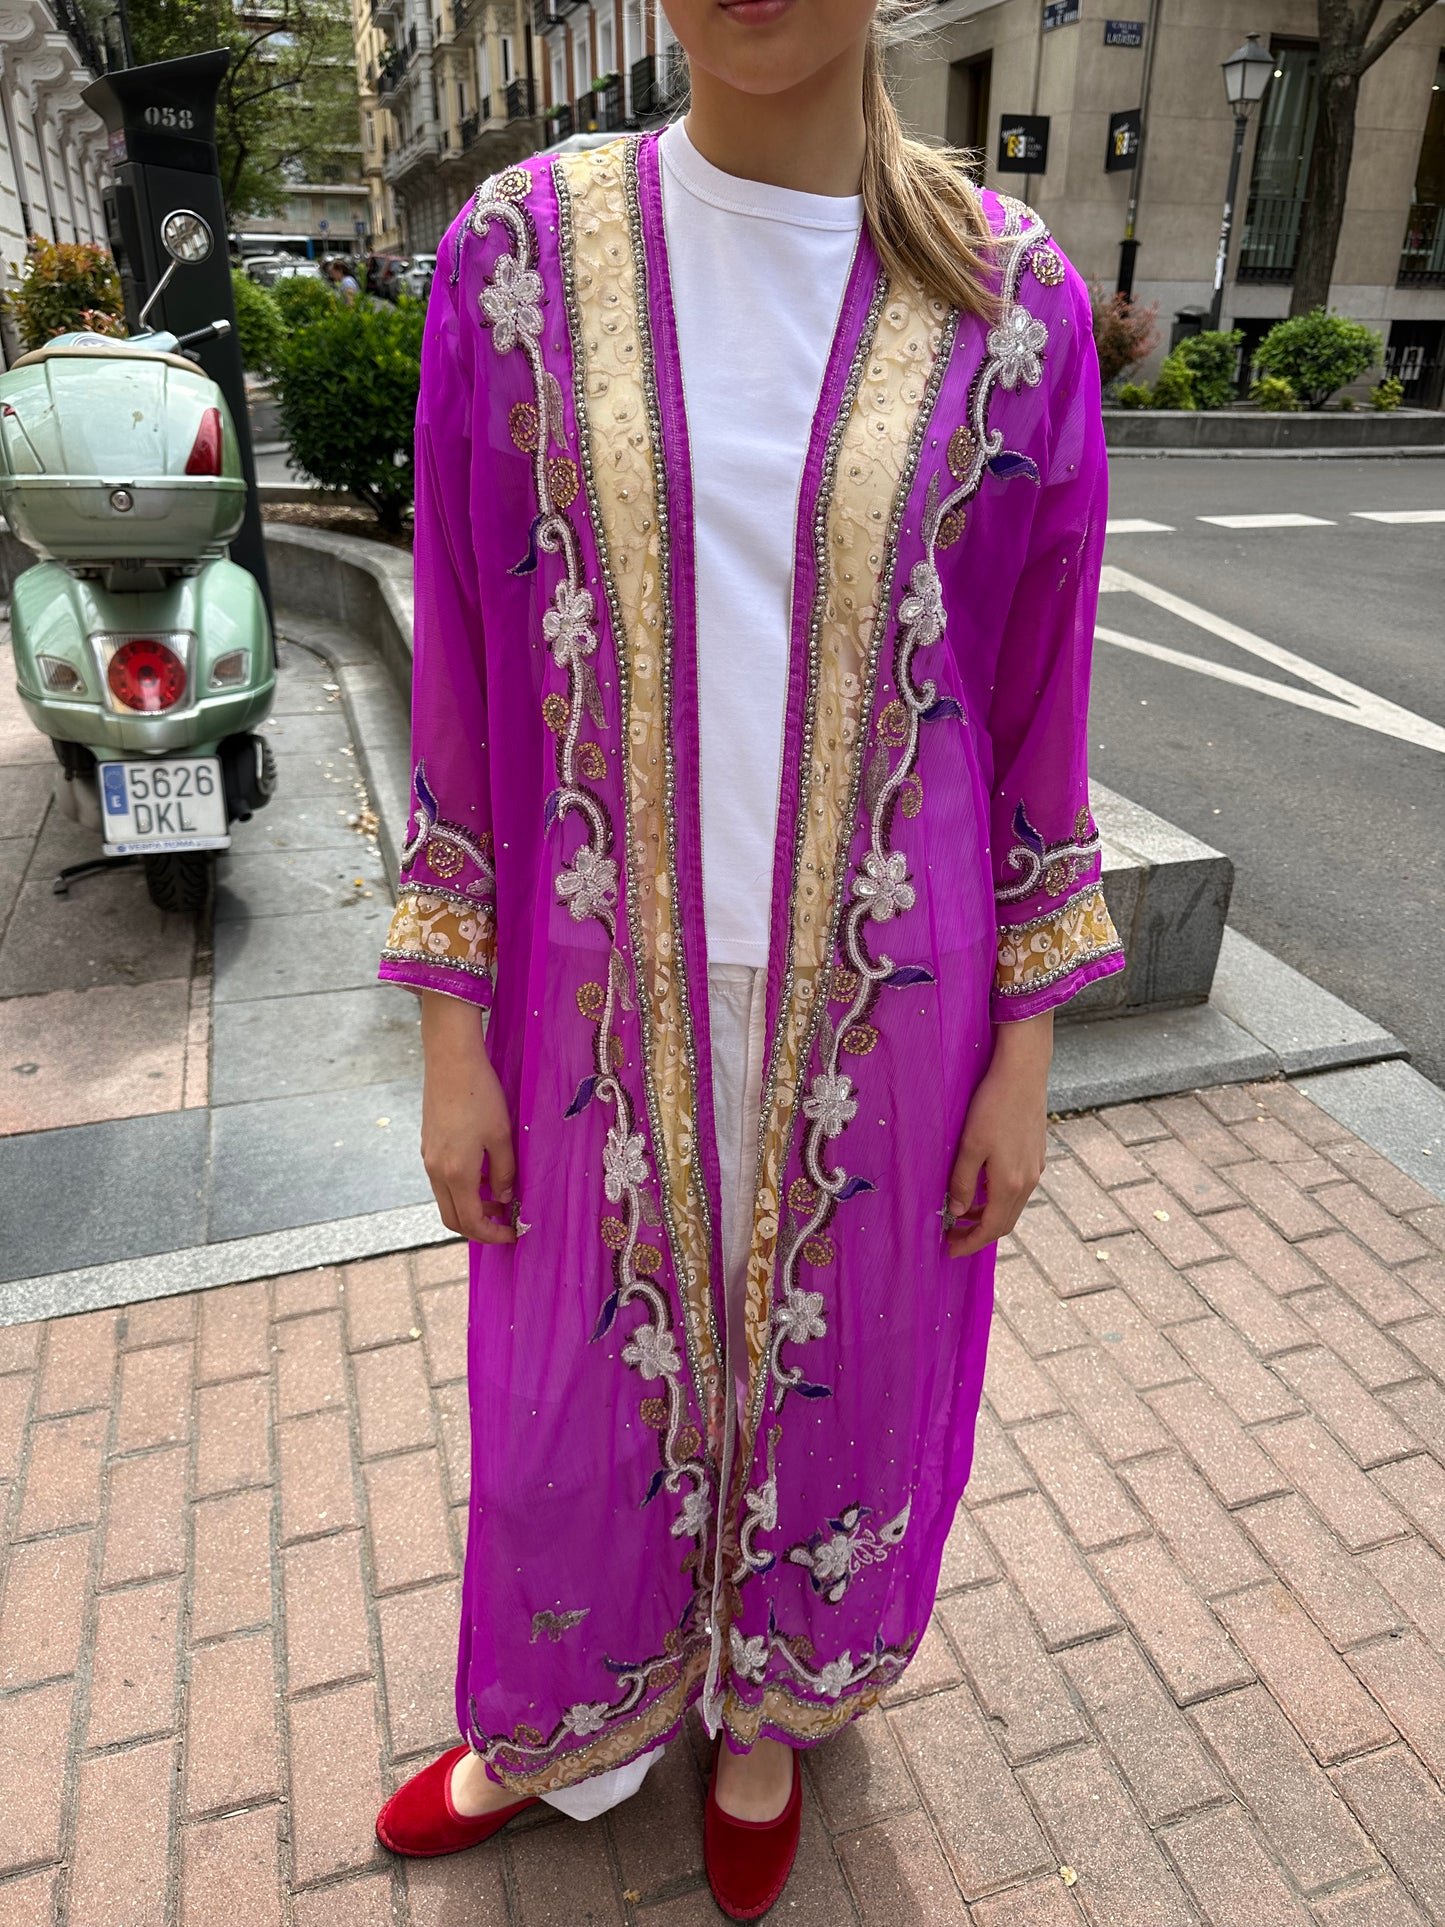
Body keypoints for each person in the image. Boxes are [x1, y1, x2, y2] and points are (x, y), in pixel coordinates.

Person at [373, 0, 1124, 1914]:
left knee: (849, 1371)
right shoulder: (520, 259)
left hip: (894, 992)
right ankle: (568, 1716)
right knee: (565, 1398)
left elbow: (1033, 695)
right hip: (585, 975)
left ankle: (773, 1711)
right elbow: (461, 640)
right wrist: (452, 1026)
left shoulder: (1007, 298)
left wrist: (1025, 1051)